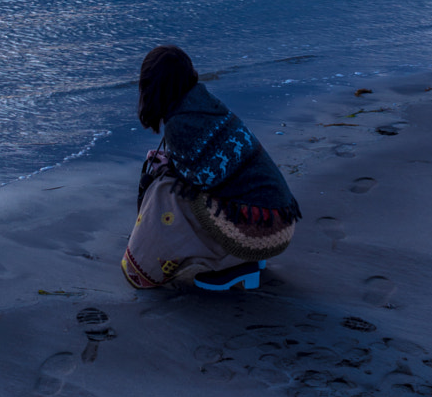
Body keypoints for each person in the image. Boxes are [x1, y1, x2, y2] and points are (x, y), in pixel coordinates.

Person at [122, 44, 301, 291]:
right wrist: (173, 162)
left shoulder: (180, 124)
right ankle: (247, 258)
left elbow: (200, 183)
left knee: (164, 191)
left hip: (262, 231)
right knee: (180, 183)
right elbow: (215, 168)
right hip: (279, 219)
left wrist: (167, 168)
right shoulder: (203, 101)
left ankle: (231, 263)